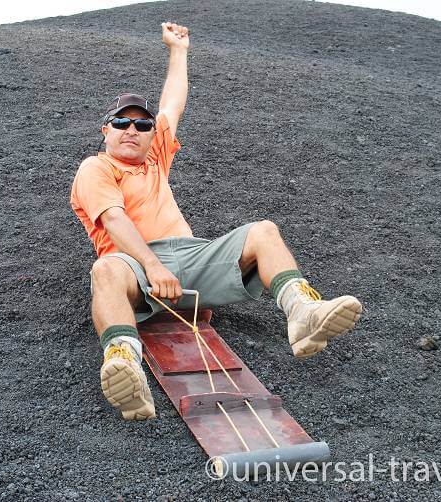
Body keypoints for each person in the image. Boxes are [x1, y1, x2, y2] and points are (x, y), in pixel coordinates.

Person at [70, 22, 363, 421]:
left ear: (150, 134)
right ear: (106, 131)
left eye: (142, 125)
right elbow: (115, 221)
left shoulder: (155, 158)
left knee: (263, 231)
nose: (133, 130)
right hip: (134, 267)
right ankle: (125, 363)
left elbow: (172, 103)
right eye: (122, 123)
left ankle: (303, 314)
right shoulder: (96, 168)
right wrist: (153, 267)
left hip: (190, 258)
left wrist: (178, 51)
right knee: (103, 270)